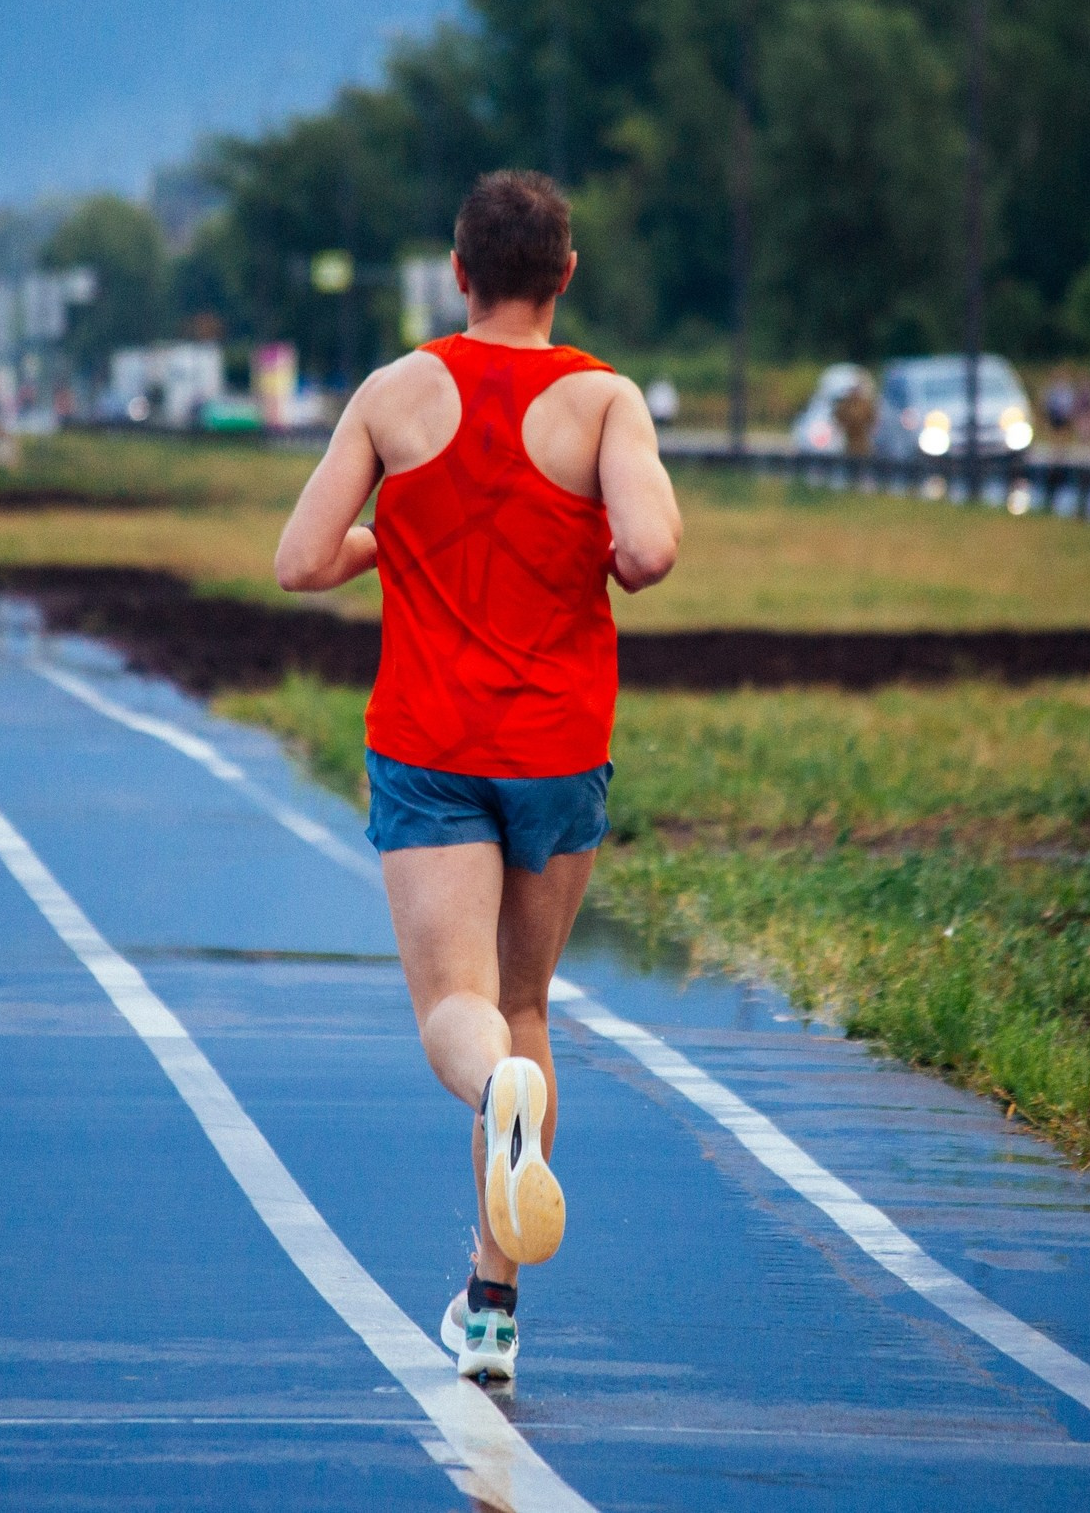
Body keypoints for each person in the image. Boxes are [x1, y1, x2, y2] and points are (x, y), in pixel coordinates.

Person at [274, 171, 681, 1384]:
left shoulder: (395, 392)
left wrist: (390, 534)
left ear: (459, 273)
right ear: (564, 274)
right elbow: (650, 552)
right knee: (525, 1007)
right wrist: (596, 540)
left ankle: (490, 1096)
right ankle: (490, 1311)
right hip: (556, 750)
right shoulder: (606, 402)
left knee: (458, 1017)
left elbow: (300, 560)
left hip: (431, 747)